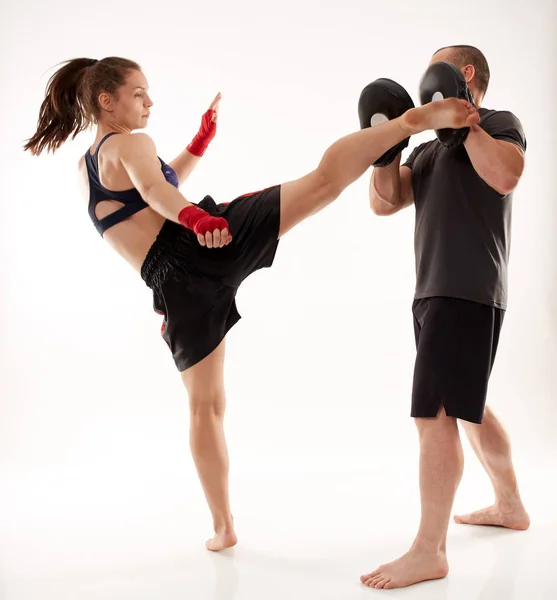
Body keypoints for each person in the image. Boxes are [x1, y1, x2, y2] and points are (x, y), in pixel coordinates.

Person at [24, 56, 479, 553]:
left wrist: (197, 146)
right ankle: (407, 124)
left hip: (173, 286)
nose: (149, 102)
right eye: (138, 93)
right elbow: (155, 190)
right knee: (322, 182)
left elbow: (153, 185)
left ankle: (223, 527)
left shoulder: (87, 168)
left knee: (206, 408)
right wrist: (197, 220)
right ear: (106, 101)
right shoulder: (133, 143)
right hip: (199, 243)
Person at [360, 45, 530, 590]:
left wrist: (467, 125)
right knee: (467, 406)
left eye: (438, 67)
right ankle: (509, 507)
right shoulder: (430, 151)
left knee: (433, 413)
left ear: (467, 74)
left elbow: (506, 176)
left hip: (466, 287)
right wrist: (387, 149)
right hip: (434, 290)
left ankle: (429, 550)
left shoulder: (500, 124)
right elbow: (384, 202)